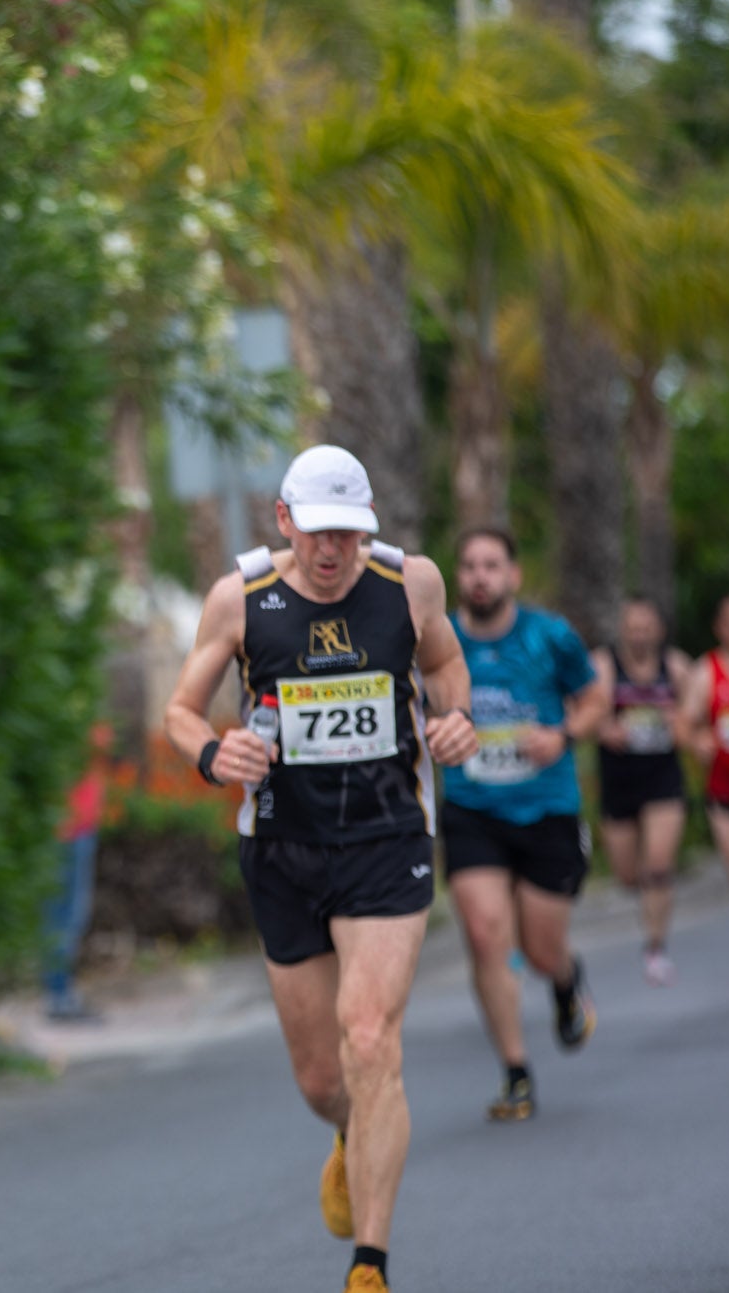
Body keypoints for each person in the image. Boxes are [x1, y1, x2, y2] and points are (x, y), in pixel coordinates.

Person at [165, 445, 475, 1293]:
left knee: (371, 1038)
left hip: (387, 841)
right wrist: (211, 753)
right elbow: (180, 710)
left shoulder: (411, 584)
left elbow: (445, 663)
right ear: (284, 520)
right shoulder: (240, 598)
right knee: (321, 1078)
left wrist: (455, 717)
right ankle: (349, 1133)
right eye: (317, 533)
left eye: (349, 532)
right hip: (281, 849)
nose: (332, 551)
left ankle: (368, 1262)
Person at [440, 529, 608, 1123]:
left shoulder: (549, 636)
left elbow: (594, 700)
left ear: (512, 574)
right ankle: (515, 1073)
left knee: (540, 950)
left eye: (491, 565)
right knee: (486, 935)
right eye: (469, 565)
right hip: (471, 809)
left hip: (546, 809)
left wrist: (561, 733)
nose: (480, 576)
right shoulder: (443, 640)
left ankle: (565, 981)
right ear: (457, 576)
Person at [592, 597, 692, 985]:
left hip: (663, 779)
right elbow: (586, 709)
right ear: (622, 630)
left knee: (658, 867)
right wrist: (606, 729)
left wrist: (678, 722)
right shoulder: (603, 665)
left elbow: (695, 716)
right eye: (632, 627)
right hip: (619, 780)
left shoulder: (677, 667)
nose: (639, 634)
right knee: (628, 875)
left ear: (659, 630)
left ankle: (656, 948)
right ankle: (650, 915)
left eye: (645, 627)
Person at [676, 592, 729, 960]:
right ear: (719, 628)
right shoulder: (706, 671)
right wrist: (697, 741)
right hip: (724, 793)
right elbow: (683, 724)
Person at [45, 724, 110, 1022]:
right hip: (68, 830)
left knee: (71, 915)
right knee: (64, 916)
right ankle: (58, 996)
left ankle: (62, 992)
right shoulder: (70, 720)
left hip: (80, 826)